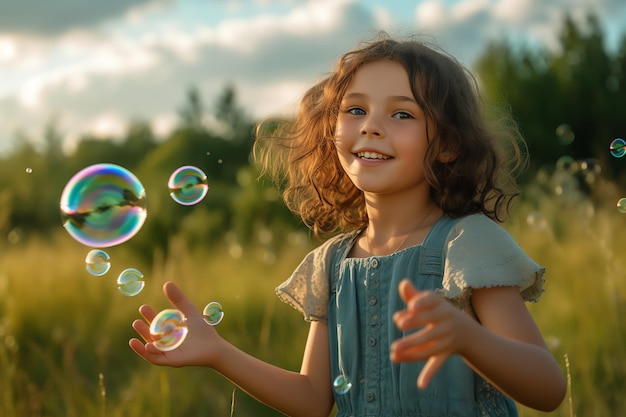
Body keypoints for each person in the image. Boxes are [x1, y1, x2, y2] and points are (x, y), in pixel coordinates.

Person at [129, 33, 566, 416]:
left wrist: (468, 338)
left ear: (448, 145)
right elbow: (313, 399)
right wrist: (219, 353)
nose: (372, 127)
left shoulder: (467, 244)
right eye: (354, 110)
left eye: (402, 115)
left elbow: (548, 389)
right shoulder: (332, 263)